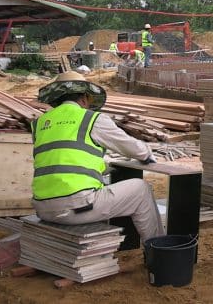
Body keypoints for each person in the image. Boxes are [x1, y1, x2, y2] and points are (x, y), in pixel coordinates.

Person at [31, 71, 163, 243]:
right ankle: (158, 251)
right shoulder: (91, 119)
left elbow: (62, 159)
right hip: (75, 208)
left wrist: (104, 166)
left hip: (42, 208)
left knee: (101, 185)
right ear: (84, 98)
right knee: (141, 189)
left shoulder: (39, 123)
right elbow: (130, 146)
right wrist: (147, 155)